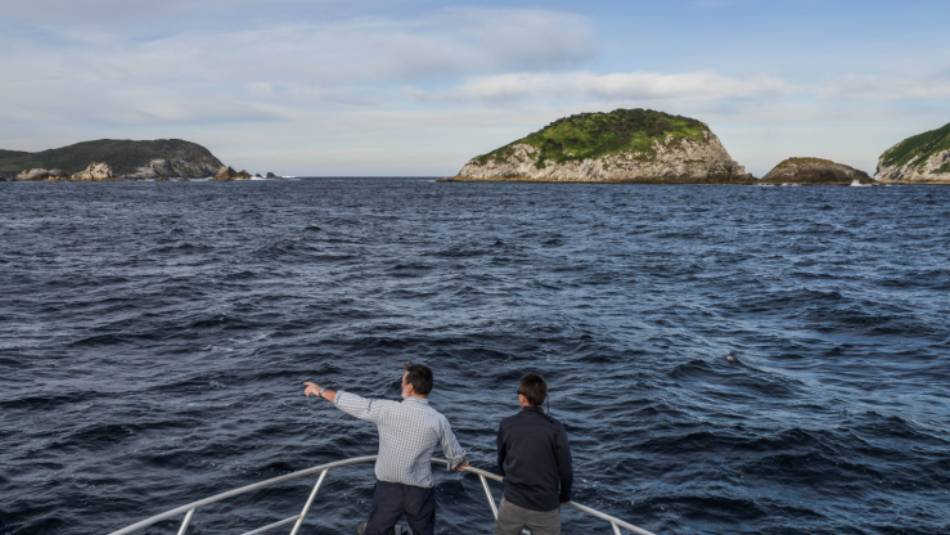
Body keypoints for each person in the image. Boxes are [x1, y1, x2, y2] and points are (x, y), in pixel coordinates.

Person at [304, 363, 468, 535]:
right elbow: (455, 456)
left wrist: (320, 391)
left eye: (403, 381)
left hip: (389, 490)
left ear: (410, 387)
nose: (401, 384)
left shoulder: (387, 409)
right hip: (419, 493)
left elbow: (356, 404)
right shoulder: (439, 420)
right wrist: (459, 462)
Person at [494, 374, 573, 535]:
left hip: (512, 502)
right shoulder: (556, 429)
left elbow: (501, 461)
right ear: (543, 399)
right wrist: (564, 496)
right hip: (545, 506)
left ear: (522, 398)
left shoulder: (506, 424)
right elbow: (565, 469)